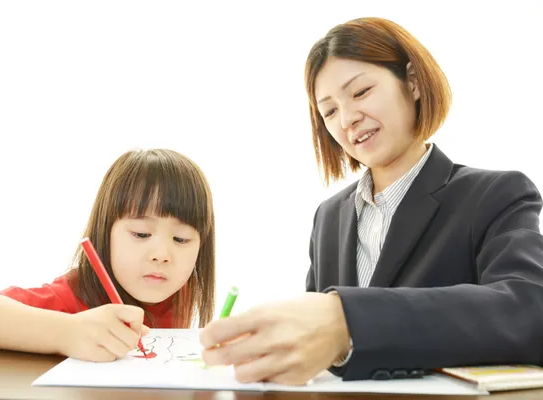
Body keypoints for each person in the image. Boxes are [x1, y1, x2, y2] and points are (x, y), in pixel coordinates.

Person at [199, 17, 543, 385]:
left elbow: (529, 310)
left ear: (411, 82)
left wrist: (346, 318)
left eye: (360, 92)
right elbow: (323, 351)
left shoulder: (494, 194)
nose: (347, 118)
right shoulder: (329, 217)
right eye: (329, 111)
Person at [0, 148, 216, 362]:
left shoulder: (178, 289)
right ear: (104, 233)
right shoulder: (71, 297)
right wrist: (67, 331)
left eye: (181, 239)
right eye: (141, 234)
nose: (162, 255)